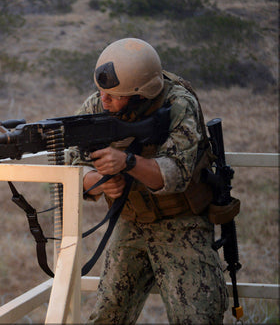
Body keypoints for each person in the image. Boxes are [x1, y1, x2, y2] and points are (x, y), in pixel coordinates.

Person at [67, 38, 229, 324]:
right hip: (131, 220)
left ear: (143, 94)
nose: (103, 100)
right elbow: (68, 164)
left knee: (196, 318)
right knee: (107, 316)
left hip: (182, 223)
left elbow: (177, 174)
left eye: (114, 95)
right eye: (101, 91)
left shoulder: (178, 103)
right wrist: (97, 181)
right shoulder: (98, 104)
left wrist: (128, 163)